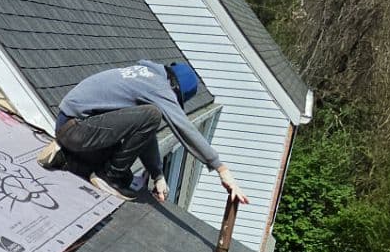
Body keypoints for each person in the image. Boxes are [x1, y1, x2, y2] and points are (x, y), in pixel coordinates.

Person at [40, 58, 247, 207]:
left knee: (126, 177)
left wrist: (157, 174)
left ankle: (66, 157)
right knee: (152, 115)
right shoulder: (160, 88)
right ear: (175, 90)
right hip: (77, 129)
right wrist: (220, 167)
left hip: (72, 126)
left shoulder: (146, 75)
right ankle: (108, 176)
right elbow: (183, 127)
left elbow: (145, 134)